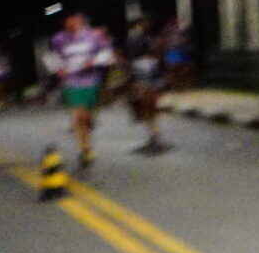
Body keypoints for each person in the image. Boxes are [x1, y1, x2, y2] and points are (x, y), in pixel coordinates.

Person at [45, 10, 120, 171]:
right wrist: (58, 69)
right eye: (68, 21)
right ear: (64, 23)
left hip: (92, 81)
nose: (71, 23)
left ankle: (88, 132)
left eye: (74, 20)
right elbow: (52, 58)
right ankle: (85, 149)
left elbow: (108, 54)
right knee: (79, 116)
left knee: (87, 118)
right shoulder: (58, 39)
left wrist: (93, 61)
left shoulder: (94, 36)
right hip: (71, 82)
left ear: (80, 21)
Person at [124, 18, 169, 152]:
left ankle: (153, 133)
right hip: (145, 69)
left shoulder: (140, 38)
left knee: (146, 104)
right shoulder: (141, 38)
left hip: (144, 70)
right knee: (147, 103)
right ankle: (153, 133)